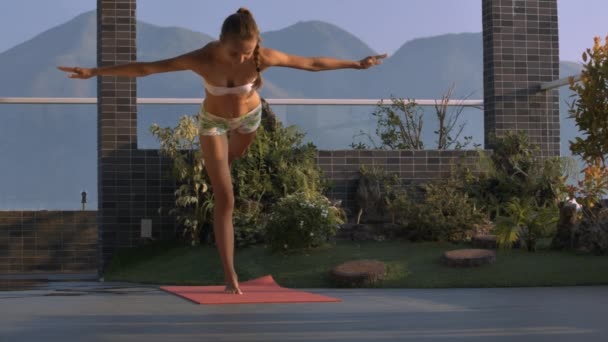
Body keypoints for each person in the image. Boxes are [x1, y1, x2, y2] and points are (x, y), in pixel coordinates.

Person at [59, 7, 387, 294]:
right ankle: (230, 275)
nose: (242, 59)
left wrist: (356, 64)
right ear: (220, 42)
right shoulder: (201, 58)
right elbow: (146, 68)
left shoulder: (262, 56)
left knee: (235, 159)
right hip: (214, 122)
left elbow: (312, 63)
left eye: (247, 53)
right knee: (226, 197)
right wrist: (94, 72)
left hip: (249, 119)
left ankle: (220, 169)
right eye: (235, 54)